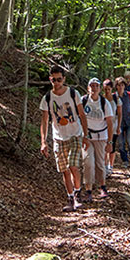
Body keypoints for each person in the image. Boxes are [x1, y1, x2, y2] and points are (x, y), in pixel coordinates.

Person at [40, 65, 89, 212]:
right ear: (50, 79)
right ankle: (69, 197)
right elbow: (44, 120)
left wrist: (85, 136)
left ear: (64, 79)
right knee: (64, 170)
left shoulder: (73, 94)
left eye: (59, 79)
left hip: (74, 134)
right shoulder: (47, 98)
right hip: (58, 137)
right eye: (54, 80)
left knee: (73, 166)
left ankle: (77, 193)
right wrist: (43, 141)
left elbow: (81, 114)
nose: (57, 82)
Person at [81, 78, 113, 201]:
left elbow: (110, 122)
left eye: (96, 86)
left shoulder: (105, 103)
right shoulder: (83, 101)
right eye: (92, 86)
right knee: (88, 162)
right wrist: (83, 135)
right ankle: (88, 190)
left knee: (100, 162)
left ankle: (102, 187)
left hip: (101, 136)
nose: (94, 89)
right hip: (87, 136)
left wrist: (110, 142)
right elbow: (80, 118)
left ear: (99, 89)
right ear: (88, 87)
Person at [114, 77, 130, 166]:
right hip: (118, 122)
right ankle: (124, 160)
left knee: (129, 140)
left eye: (122, 85)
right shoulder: (114, 96)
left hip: (129, 120)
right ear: (116, 86)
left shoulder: (129, 95)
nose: (121, 87)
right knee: (121, 143)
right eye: (119, 85)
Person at [102, 79, 122, 176]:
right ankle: (105, 166)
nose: (106, 91)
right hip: (104, 127)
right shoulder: (101, 99)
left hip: (114, 126)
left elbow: (120, 113)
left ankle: (111, 165)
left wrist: (118, 127)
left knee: (112, 147)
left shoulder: (116, 99)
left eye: (108, 89)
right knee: (105, 146)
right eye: (105, 89)